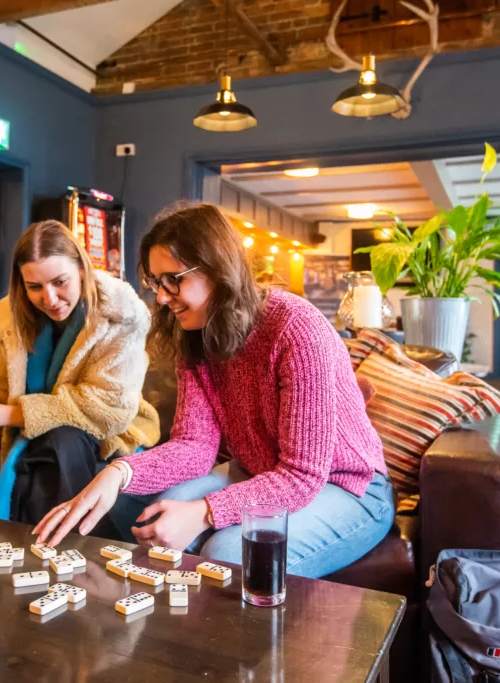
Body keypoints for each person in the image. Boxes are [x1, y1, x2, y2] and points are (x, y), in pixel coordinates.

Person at [34, 203, 394, 578]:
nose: (161, 297)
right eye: (157, 282)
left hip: (349, 487)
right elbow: (195, 446)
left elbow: (301, 477)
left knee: (226, 551)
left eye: (173, 279)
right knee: (143, 510)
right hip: (260, 473)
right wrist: (118, 473)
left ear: (218, 269)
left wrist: (204, 512)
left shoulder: (296, 328)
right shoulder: (196, 335)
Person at [0, 220, 160, 529]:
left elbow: (106, 409)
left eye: (60, 282)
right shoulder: (8, 315)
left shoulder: (122, 314)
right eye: (35, 287)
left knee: (60, 441)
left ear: (82, 269)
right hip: (35, 421)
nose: (50, 299)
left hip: (110, 430)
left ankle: (56, 551)